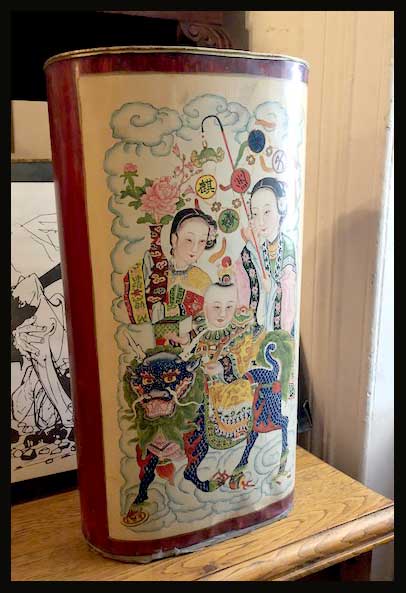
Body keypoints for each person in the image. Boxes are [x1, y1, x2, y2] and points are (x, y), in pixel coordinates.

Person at [125, 206, 217, 345]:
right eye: (189, 240)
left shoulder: (203, 279)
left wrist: (187, 337)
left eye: (202, 241)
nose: (195, 248)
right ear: (174, 239)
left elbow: (207, 323)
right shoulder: (154, 270)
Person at [235, 177, 297, 335]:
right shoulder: (254, 247)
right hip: (258, 325)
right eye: (255, 214)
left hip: (279, 327)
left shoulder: (288, 245)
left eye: (267, 212)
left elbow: (289, 289)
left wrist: (274, 288)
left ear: (280, 207)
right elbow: (242, 278)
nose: (260, 221)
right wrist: (251, 245)